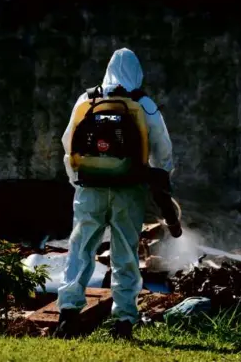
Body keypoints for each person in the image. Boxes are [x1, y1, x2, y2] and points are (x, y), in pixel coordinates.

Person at [55, 48, 176, 339]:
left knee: (81, 251)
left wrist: (79, 181)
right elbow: (163, 151)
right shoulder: (143, 103)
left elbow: (68, 142)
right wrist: (160, 182)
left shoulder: (87, 99)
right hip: (128, 191)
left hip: (89, 189)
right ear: (138, 72)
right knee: (125, 255)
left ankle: (68, 314)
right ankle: (123, 321)